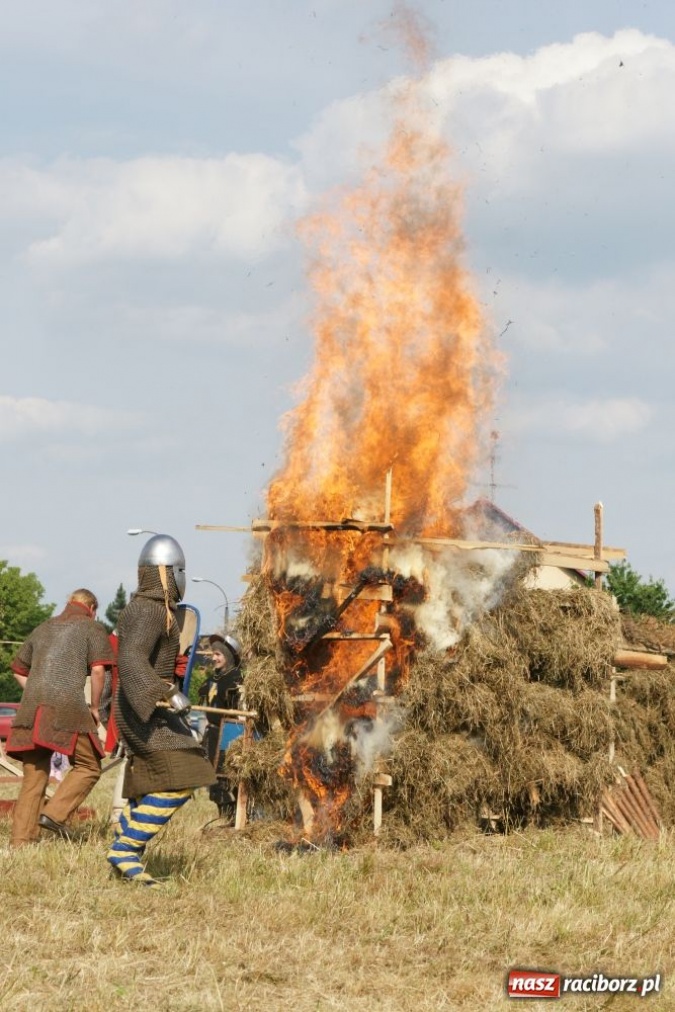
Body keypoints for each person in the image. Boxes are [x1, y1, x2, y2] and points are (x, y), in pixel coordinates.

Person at [106, 533, 216, 887]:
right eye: (178, 571)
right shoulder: (148, 609)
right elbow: (131, 658)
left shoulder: (156, 609)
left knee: (152, 780)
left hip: (148, 706)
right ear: (167, 573)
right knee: (185, 772)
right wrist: (167, 691)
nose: (182, 578)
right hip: (143, 707)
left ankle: (125, 851)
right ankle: (125, 849)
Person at [6, 588, 114, 847]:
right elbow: (99, 670)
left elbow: (18, 670)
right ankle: (54, 814)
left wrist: (38, 691)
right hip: (68, 707)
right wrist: (96, 707)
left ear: (69, 602)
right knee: (89, 766)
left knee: (34, 776)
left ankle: (21, 841)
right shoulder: (92, 627)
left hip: (32, 708)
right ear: (92, 609)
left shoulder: (43, 627)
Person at [200, 634, 244, 822]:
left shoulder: (237, 679)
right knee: (215, 781)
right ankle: (226, 818)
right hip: (212, 734)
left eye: (218, 654)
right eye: (213, 654)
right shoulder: (212, 679)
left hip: (229, 734)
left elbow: (240, 713)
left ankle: (236, 818)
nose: (214, 658)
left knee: (229, 778)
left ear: (228, 655)